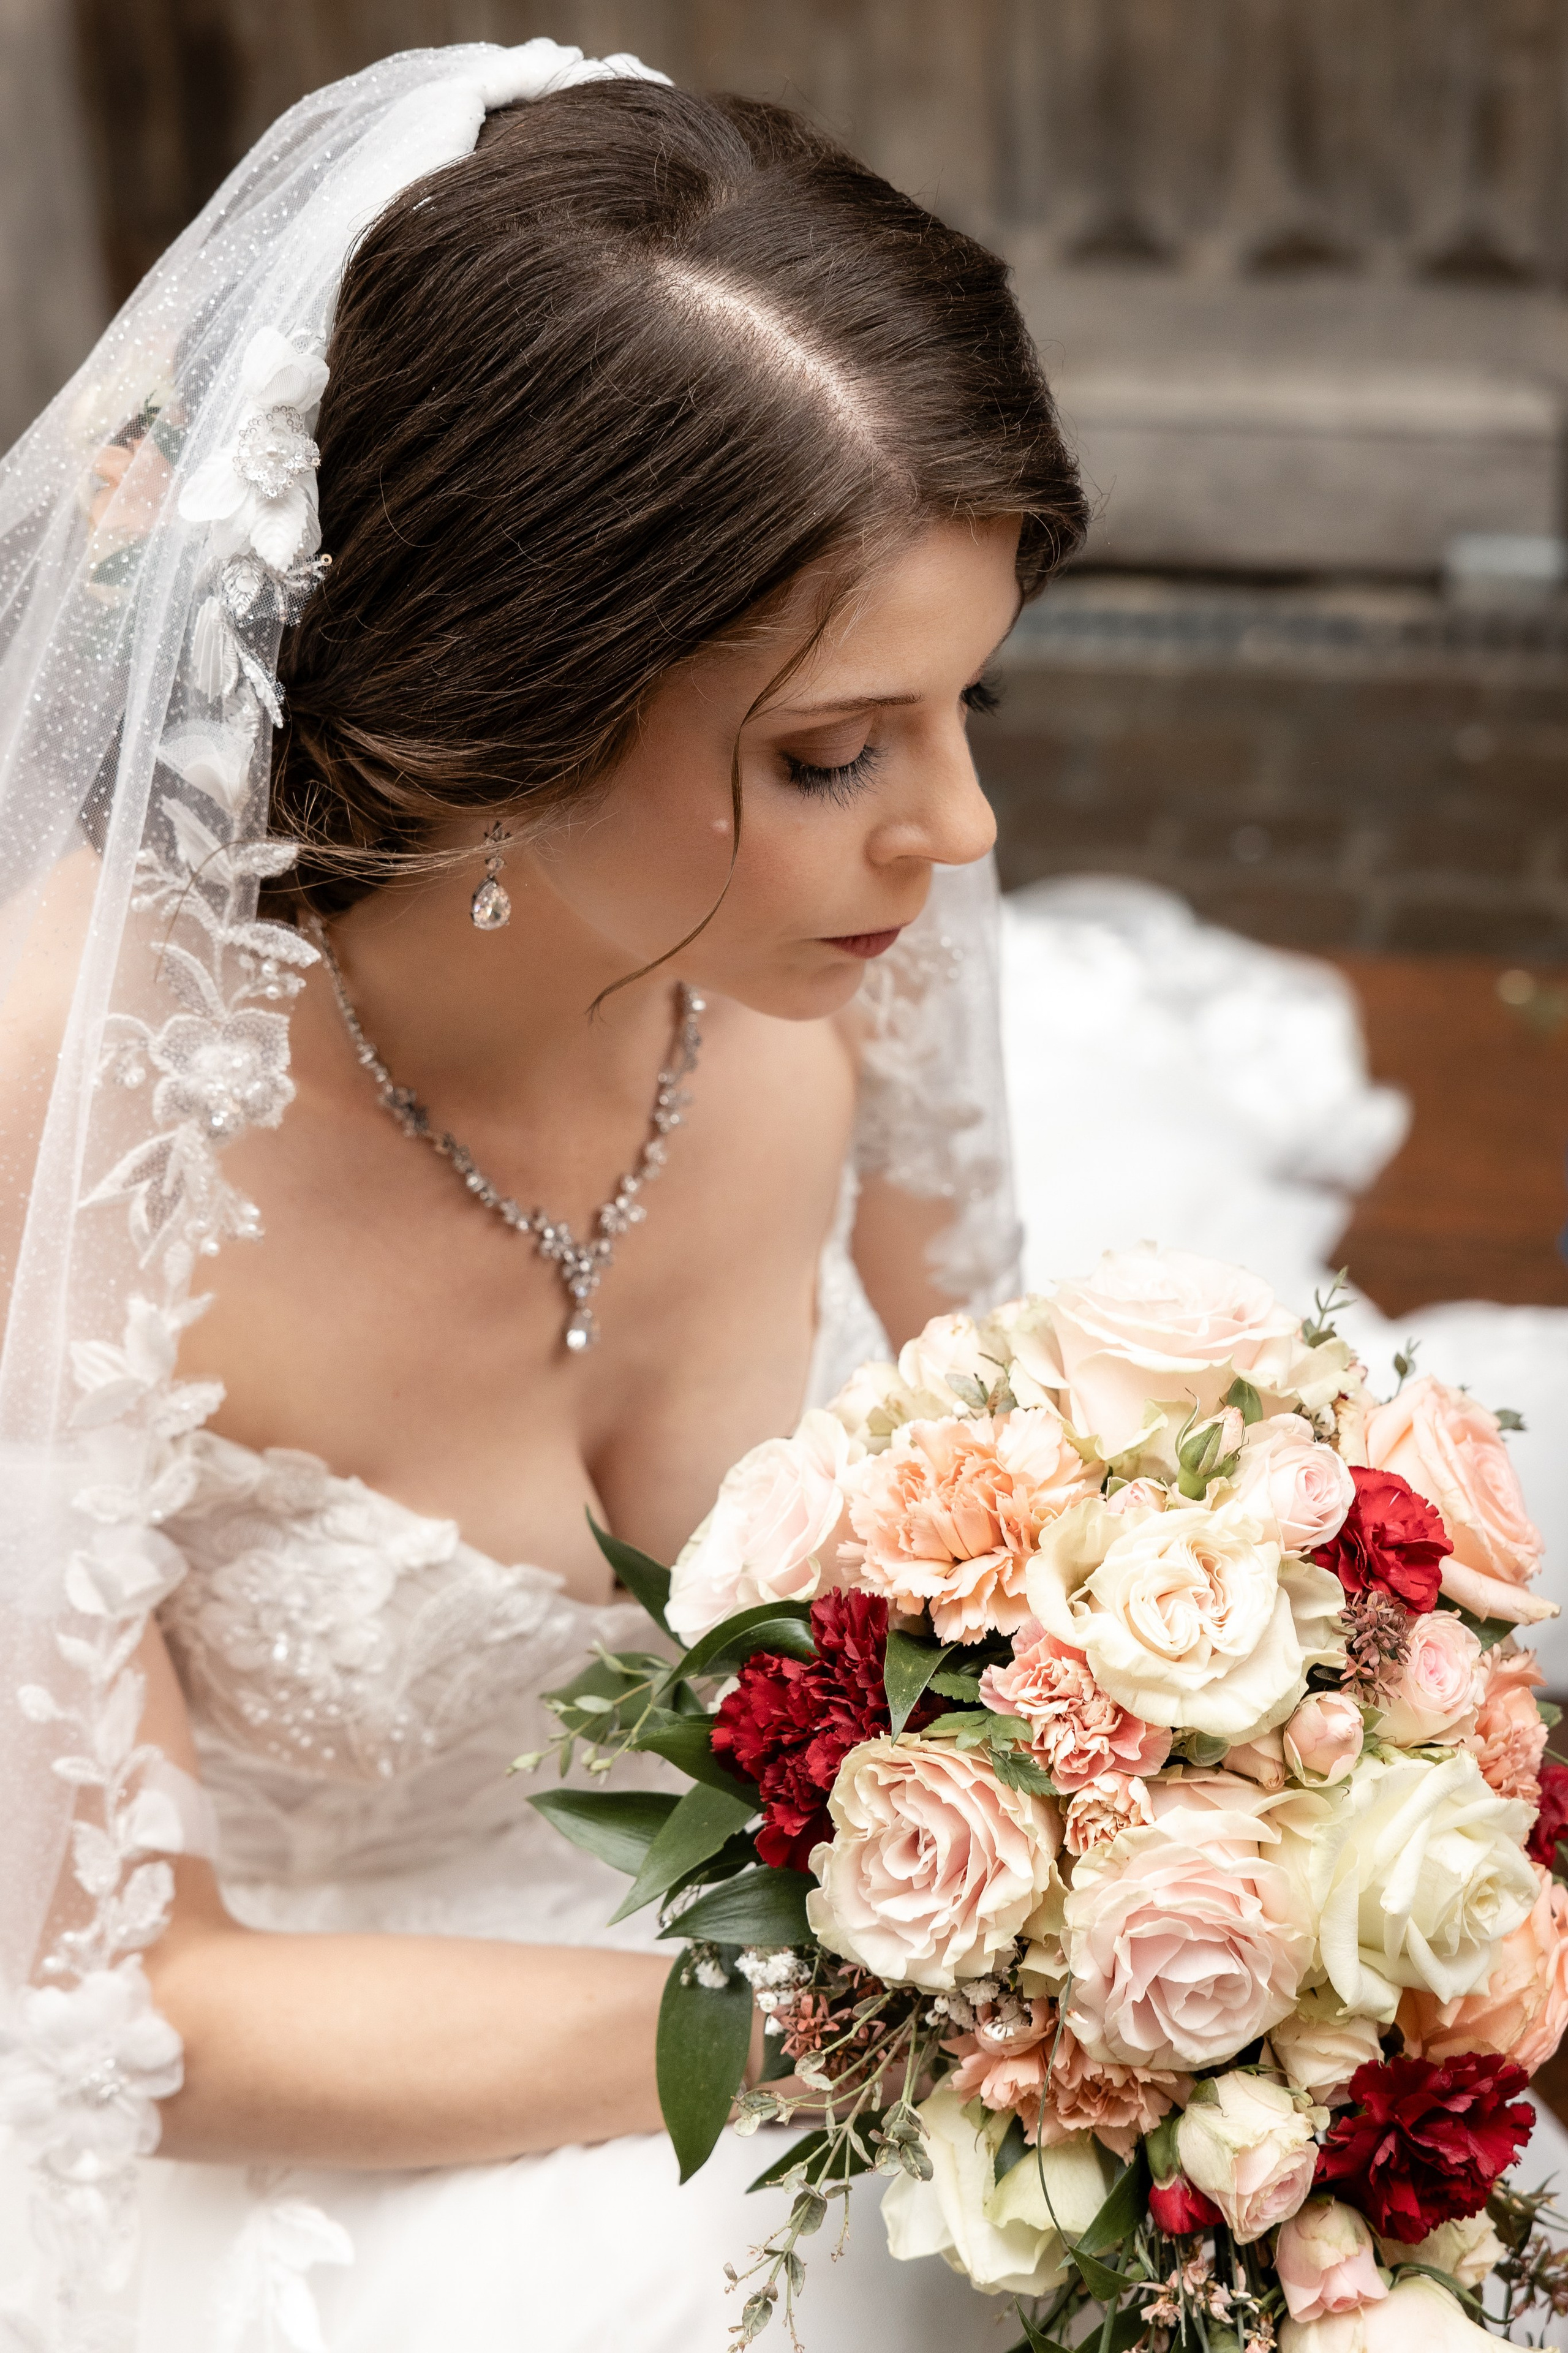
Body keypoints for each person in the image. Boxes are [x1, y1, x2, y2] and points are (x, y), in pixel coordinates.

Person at [0, 39, 1085, 2351]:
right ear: (485, 699)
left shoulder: (838, 954)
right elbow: (120, 2001)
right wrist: (861, 2026)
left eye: (971, 708)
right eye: (832, 754)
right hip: (314, 2129)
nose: (959, 837)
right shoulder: (54, 1093)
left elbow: (1035, 1542)